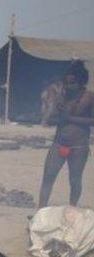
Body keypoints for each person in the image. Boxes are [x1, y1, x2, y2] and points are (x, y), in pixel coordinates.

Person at [39, 61, 93, 208]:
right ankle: (40, 210)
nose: (69, 86)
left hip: (79, 146)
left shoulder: (89, 97)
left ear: (81, 81)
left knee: (75, 180)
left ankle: (72, 209)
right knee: (48, 177)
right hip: (59, 143)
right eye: (67, 83)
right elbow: (50, 119)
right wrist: (55, 115)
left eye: (73, 83)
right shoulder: (61, 96)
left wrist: (71, 118)